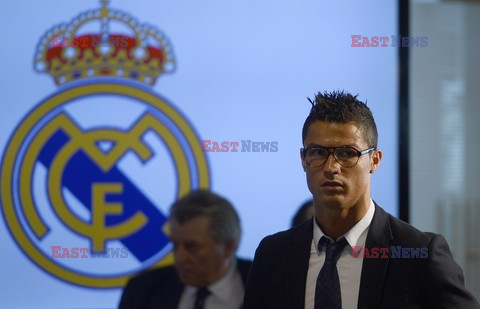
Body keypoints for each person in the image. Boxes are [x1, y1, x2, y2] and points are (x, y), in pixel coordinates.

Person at [243, 91, 480, 308]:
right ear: (303, 159)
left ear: (375, 160)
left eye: (347, 153)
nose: (331, 167)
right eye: (318, 152)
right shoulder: (273, 254)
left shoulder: (419, 253)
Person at [119, 190, 251, 309]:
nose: (180, 258)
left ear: (228, 247)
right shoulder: (142, 291)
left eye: (192, 247)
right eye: (175, 245)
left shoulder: (264, 284)